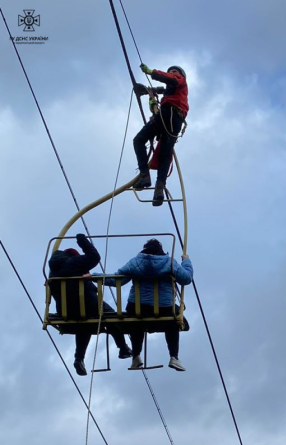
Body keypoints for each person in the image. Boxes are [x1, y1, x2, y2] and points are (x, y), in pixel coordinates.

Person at [91, 239, 193, 372]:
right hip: (164, 309)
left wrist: (94, 276)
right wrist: (186, 261)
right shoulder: (170, 262)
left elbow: (117, 280)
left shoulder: (136, 262)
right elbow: (186, 278)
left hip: (138, 308)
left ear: (145, 249)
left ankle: (136, 356)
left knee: (136, 320)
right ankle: (174, 356)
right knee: (173, 321)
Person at [48, 233, 132, 376]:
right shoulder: (73, 262)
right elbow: (94, 257)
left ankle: (79, 358)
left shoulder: (53, 271)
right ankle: (123, 347)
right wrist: (82, 239)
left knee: (84, 324)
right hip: (89, 304)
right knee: (112, 316)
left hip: (65, 310)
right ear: (75, 257)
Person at [132, 63, 189, 208]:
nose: (173, 73)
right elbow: (163, 90)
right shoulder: (172, 92)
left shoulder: (179, 81)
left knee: (139, 140)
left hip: (169, 115)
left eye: (175, 71)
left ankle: (145, 175)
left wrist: (152, 72)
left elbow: (171, 79)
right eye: (171, 71)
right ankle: (159, 189)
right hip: (171, 121)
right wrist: (149, 93)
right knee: (165, 155)